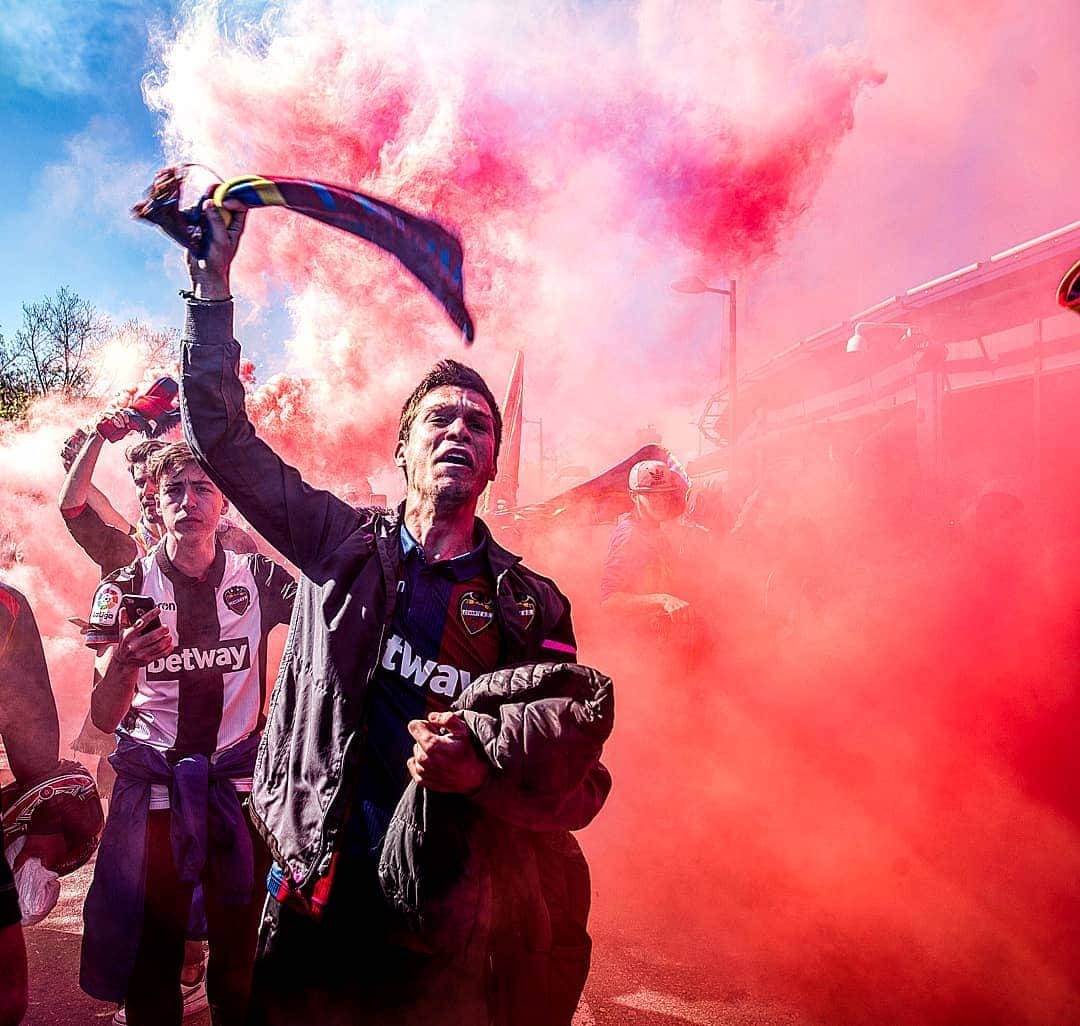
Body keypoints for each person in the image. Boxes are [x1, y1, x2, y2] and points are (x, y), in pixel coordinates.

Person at [177, 198, 612, 1025]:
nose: (459, 432)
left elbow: (575, 786)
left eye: (477, 427)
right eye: (438, 420)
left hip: (446, 934)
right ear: (403, 447)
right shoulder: (338, 543)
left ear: (490, 461)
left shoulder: (530, 607)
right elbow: (221, 437)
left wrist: (481, 769)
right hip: (317, 903)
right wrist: (211, 285)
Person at [78, 443, 296, 1026]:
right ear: (156, 498)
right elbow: (102, 716)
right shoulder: (123, 588)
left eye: (203, 488)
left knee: (239, 956)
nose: (189, 501)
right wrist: (124, 660)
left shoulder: (263, 578)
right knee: (154, 960)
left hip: (238, 792)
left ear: (224, 501)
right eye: (175, 490)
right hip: (156, 799)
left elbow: (325, 631)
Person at [599, 459, 693, 632]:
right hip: (639, 642)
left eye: (664, 494)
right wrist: (663, 600)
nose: (661, 500)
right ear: (634, 496)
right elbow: (610, 601)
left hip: (661, 639)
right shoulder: (629, 535)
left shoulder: (653, 529)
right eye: (651, 495)